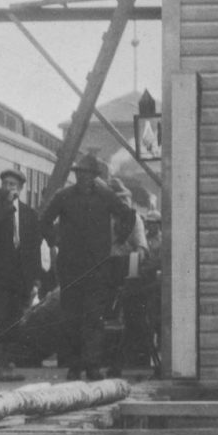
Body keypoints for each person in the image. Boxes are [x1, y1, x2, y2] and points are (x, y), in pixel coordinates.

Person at [40, 153, 137, 380]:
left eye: (87, 174)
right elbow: (43, 221)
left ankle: (92, 366)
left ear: (94, 176)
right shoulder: (63, 197)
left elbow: (128, 215)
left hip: (97, 268)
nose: (83, 178)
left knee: (94, 318)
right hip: (70, 269)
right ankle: (74, 366)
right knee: (71, 317)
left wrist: (119, 240)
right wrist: (55, 241)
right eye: (79, 174)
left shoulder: (106, 196)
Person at [0, 168, 37, 354]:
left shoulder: (29, 214)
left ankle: (9, 361)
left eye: (12, 185)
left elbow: (33, 248)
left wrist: (33, 279)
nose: (8, 188)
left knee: (14, 319)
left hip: (19, 276)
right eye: (5, 184)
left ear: (21, 188)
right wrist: (6, 204)